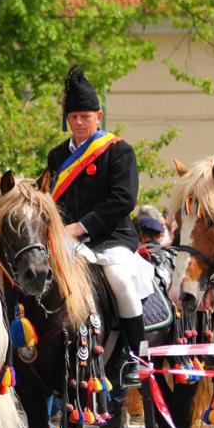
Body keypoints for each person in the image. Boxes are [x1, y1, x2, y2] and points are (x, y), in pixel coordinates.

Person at [47, 66, 147, 387]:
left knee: (119, 279)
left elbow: (123, 200)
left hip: (112, 237)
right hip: (69, 239)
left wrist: (81, 226)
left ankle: (136, 353)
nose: (79, 122)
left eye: (85, 116)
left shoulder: (118, 151)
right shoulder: (57, 155)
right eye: (73, 116)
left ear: (98, 116)